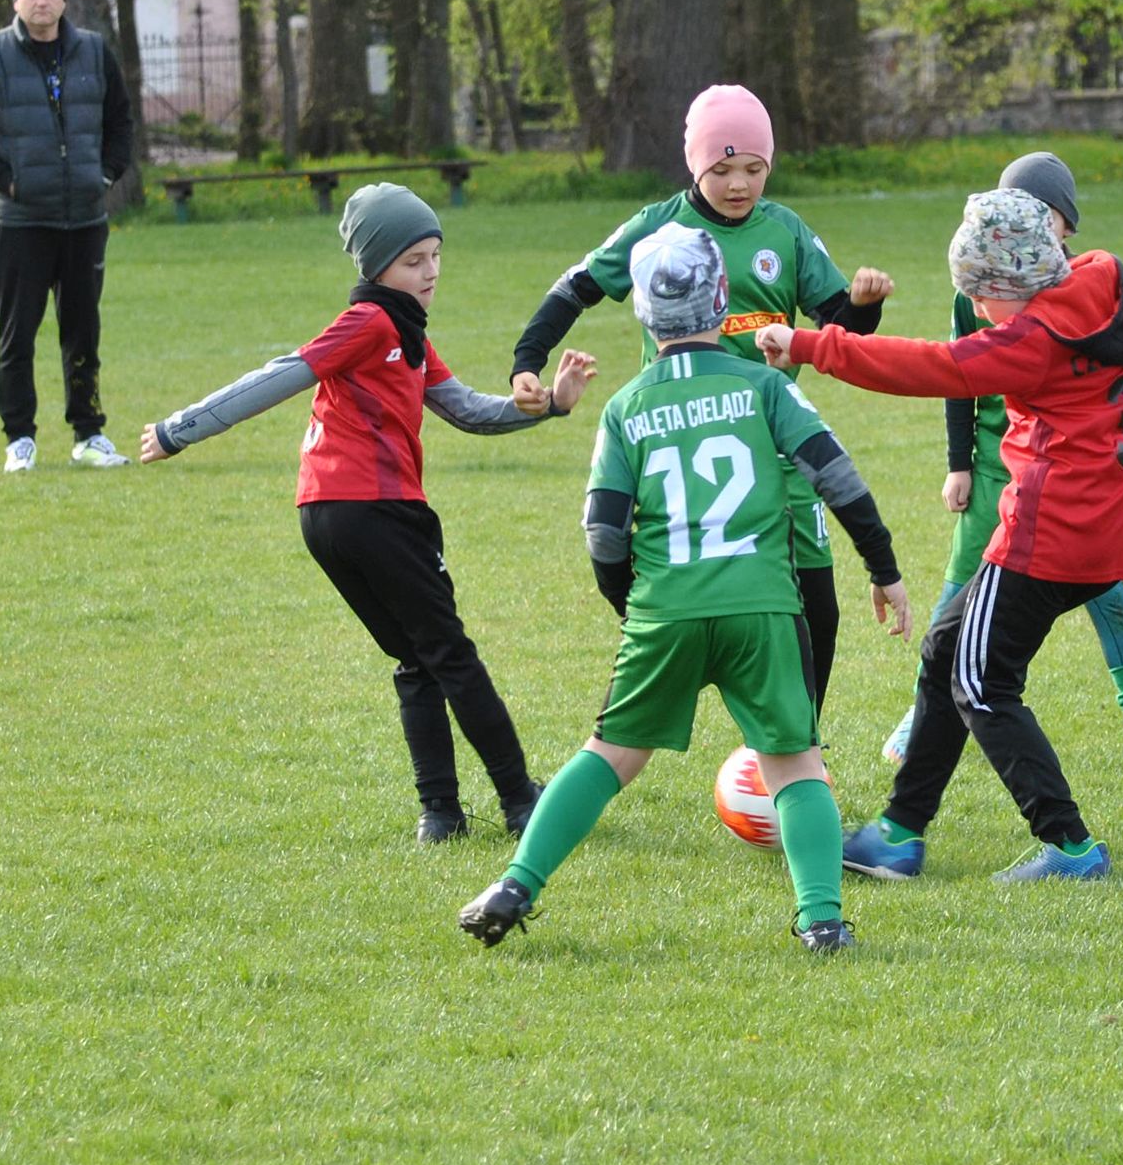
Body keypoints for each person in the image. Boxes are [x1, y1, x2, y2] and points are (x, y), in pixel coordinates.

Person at [459, 222, 910, 954]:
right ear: (723, 296)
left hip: (666, 607)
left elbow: (602, 532)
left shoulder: (627, 407)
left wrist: (633, 603)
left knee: (608, 755)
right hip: (762, 603)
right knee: (796, 764)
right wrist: (883, 569)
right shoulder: (764, 386)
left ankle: (516, 883)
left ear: (641, 311)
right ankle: (822, 921)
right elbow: (838, 478)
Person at [758, 190, 1123, 883]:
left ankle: (1071, 847)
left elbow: (932, 368)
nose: (977, 310)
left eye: (981, 294)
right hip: (1107, 531)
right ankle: (900, 832)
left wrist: (809, 344)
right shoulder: (1114, 277)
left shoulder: (1033, 340)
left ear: (1013, 283)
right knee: (948, 648)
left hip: (1049, 535)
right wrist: (1118, 432)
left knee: (981, 682)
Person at [139, 183, 598, 842]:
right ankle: (522, 798)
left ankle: (440, 814)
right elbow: (279, 375)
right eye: (413, 260)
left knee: (418, 658)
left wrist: (550, 403)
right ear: (375, 267)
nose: (431, 271)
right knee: (451, 654)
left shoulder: (406, 333)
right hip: (375, 510)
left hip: (327, 515)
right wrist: (181, 429)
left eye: (436, 254)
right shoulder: (370, 323)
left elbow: (466, 409)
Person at [504, 84, 892, 718]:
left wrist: (864, 307)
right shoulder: (657, 228)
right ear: (696, 165)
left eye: (753, 169)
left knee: (817, 605)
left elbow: (839, 328)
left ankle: (800, 747)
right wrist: (528, 362)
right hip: (682, 441)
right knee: (674, 609)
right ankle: (622, 734)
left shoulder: (785, 231)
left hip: (778, 440)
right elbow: (573, 288)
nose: (739, 184)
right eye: (722, 169)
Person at [880, 152, 1123, 768]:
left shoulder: (1088, 293)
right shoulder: (979, 287)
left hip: (1064, 479)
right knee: (957, 600)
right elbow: (953, 374)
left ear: (1063, 225)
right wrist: (959, 463)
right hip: (995, 471)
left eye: (1048, 218)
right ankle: (921, 712)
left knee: (1108, 598)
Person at [0, 0, 135, 474]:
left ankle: (89, 432)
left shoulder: (95, 53)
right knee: (18, 333)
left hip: (84, 220)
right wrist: (8, 182)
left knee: (83, 330)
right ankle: (20, 439)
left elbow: (121, 122)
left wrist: (104, 175)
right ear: (17, 0)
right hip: (21, 223)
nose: (41, 1)